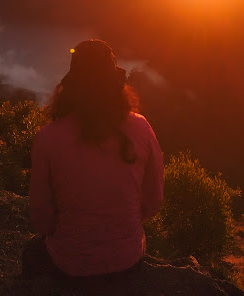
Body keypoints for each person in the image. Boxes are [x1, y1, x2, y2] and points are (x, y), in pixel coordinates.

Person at [23, 39, 163, 290]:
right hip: (127, 257)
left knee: (31, 253)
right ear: (116, 86)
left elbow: (42, 221)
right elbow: (153, 202)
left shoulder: (48, 138)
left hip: (70, 264)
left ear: (72, 87)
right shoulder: (141, 127)